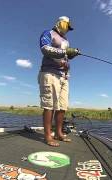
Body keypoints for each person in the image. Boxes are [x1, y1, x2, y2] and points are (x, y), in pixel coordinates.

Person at [38, 16, 80, 147]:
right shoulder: (48, 33)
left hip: (64, 76)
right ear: (61, 23)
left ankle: (59, 133)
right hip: (49, 73)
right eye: (67, 26)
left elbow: (65, 57)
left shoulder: (66, 40)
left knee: (62, 106)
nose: (68, 29)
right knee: (49, 104)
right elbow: (45, 48)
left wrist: (71, 56)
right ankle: (47, 136)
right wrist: (65, 52)